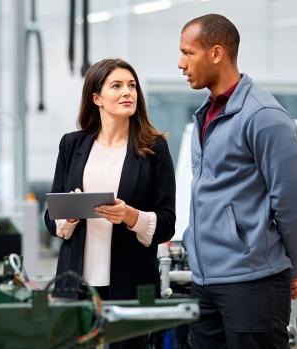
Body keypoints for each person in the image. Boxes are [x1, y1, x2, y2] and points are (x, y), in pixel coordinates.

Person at [178, 14, 297, 348]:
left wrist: (292, 270)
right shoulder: (207, 113)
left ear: (216, 53)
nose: (181, 64)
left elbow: (293, 204)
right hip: (206, 281)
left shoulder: (263, 117)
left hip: (253, 282)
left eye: (188, 53)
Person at [44, 58, 176, 349]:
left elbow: (167, 223)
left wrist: (131, 216)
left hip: (130, 285)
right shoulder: (72, 145)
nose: (127, 92)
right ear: (97, 98)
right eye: (116, 85)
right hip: (75, 286)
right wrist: (70, 214)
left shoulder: (154, 148)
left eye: (132, 86)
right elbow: (51, 219)